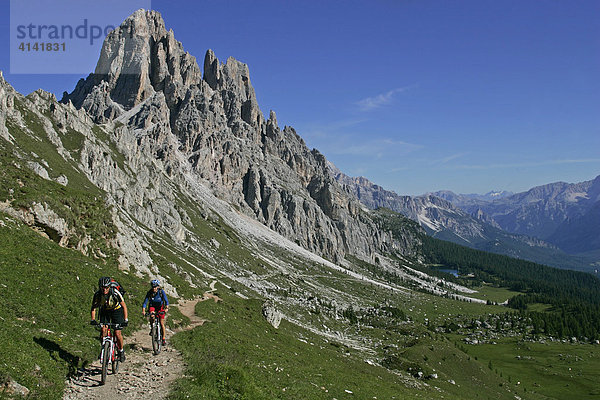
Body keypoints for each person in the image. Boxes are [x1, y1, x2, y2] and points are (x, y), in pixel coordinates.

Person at [90, 277, 129, 361]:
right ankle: (104, 349)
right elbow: (93, 307)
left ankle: (121, 350)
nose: (104, 290)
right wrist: (93, 319)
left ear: (109, 287)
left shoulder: (115, 293)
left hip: (117, 310)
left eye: (106, 287)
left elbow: (124, 306)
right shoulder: (98, 294)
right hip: (105, 310)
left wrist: (125, 320)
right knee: (103, 330)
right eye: (102, 287)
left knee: (117, 333)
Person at [142, 279, 169, 345]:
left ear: (158, 286)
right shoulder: (150, 292)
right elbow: (145, 301)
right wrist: (143, 310)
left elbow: (166, 300)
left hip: (160, 307)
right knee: (152, 316)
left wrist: (167, 308)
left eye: (155, 287)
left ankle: (163, 338)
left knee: (161, 323)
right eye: (153, 287)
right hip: (152, 306)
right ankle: (152, 328)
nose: (154, 288)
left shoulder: (161, 291)